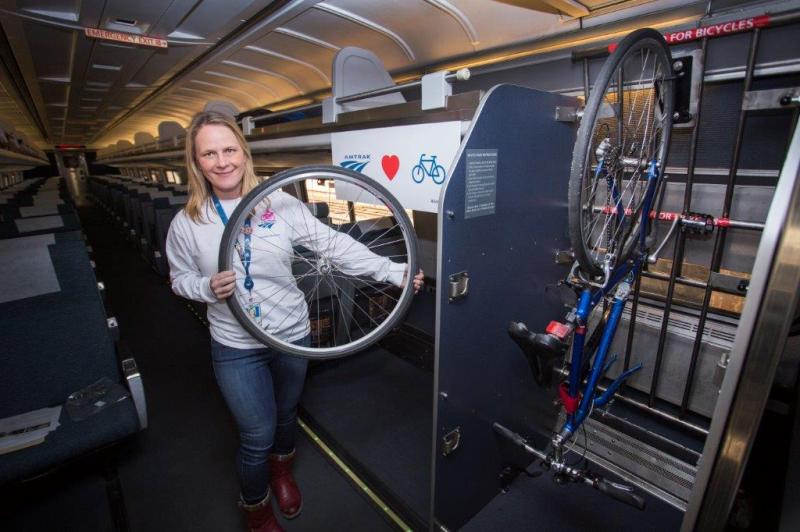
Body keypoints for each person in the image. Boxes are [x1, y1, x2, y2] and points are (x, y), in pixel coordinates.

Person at [166, 110, 423, 532]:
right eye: (209, 153)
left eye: (229, 149)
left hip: (291, 334)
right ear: (196, 164)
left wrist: (393, 270)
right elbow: (178, 280)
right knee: (256, 435)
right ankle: (256, 507)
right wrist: (206, 287)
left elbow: (333, 244)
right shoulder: (188, 223)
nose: (222, 160)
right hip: (235, 345)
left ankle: (282, 472)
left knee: (286, 415)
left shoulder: (280, 202)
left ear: (244, 154)